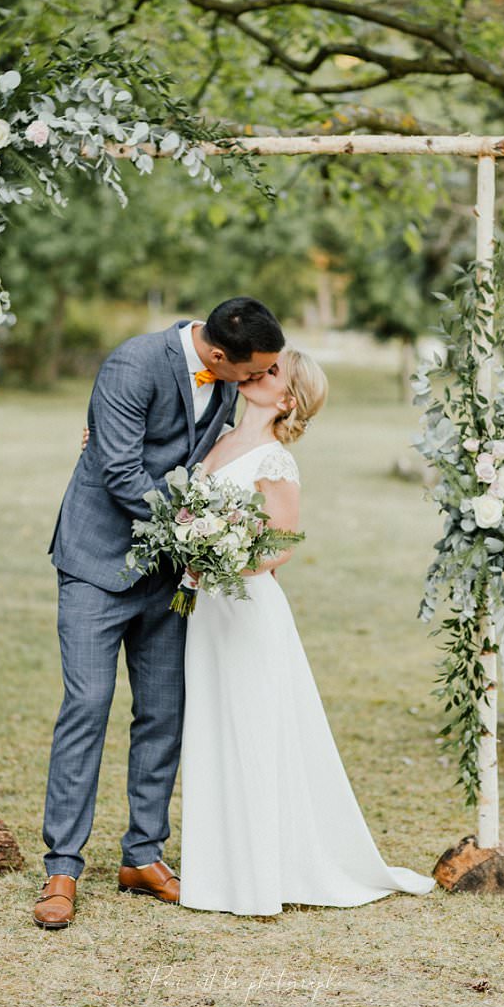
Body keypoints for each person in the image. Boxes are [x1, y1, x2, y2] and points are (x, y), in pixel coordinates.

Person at [36, 298, 284, 930]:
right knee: (87, 708)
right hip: (97, 564)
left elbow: (215, 460)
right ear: (219, 356)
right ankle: (62, 867)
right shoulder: (132, 364)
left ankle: (142, 855)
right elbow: (120, 472)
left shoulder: (229, 382)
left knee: (163, 714)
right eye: (254, 373)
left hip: (168, 576)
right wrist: (197, 529)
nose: (258, 382)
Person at [177, 347, 434, 915]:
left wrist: (219, 556)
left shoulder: (275, 460)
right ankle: (218, 869)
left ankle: (262, 874)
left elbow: (279, 548)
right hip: (208, 614)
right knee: (214, 726)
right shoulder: (217, 439)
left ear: (287, 399)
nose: (255, 374)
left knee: (254, 730)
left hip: (247, 610)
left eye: (270, 374)